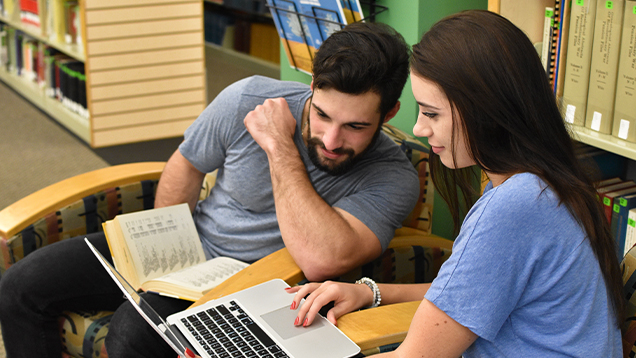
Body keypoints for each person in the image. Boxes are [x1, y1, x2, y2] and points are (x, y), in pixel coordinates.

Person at [0, 22, 420, 358]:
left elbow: (320, 259)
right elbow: (186, 165)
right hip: (186, 254)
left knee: (133, 331)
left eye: (355, 126)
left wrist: (278, 145)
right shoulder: (248, 98)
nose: (331, 139)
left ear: (390, 113)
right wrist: (162, 254)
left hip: (254, 284)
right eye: (323, 115)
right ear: (311, 84)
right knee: (21, 286)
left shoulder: (392, 177)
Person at [289, 10, 624, 357]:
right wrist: (370, 292)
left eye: (431, 113)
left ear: (485, 109)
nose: (419, 128)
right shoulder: (541, 184)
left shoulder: (515, 206)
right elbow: (465, 296)